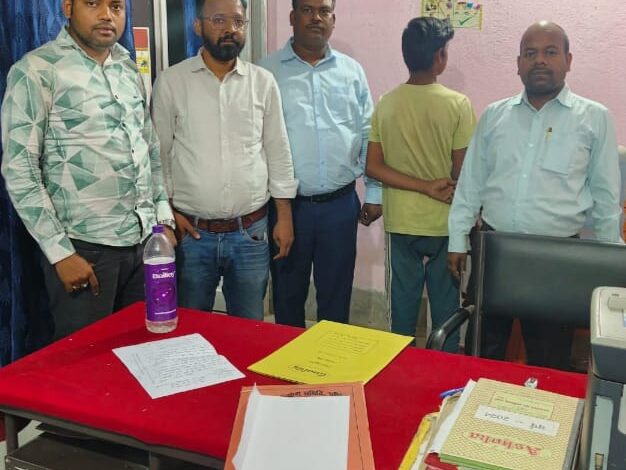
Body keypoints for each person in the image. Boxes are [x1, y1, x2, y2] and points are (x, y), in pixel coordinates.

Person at [448, 21, 622, 368]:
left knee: (549, 358)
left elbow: (606, 197)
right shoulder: (494, 116)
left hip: (556, 258)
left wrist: (611, 264)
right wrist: (456, 239)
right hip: (494, 251)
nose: (539, 60)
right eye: (530, 53)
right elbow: (471, 183)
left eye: (550, 52)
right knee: (483, 350)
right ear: (518, 64)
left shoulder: (594, 118)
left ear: (568, 60)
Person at [1, 0, 175, 339]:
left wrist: (163, 221)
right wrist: (60, 253)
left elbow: (149, 150)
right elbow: (20, 168)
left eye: (116, 6)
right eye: (93, 3)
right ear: (68, 7)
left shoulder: (127, 69)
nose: (107, 15)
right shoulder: (37, 70)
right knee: (87, 358)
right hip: (85, 251)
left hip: (143, 243)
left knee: (143, 347)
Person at [151, 0, 297, 320]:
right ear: (198, 26)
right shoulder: (172, 82)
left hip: (250, 233)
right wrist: (168, 213)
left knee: (248, 328)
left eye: (238, 21)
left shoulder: (262, 82)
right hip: (192, 235)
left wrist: (284, 217)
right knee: (190, 328)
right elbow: (158, 156)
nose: (230, 29)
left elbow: (278, 150)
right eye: (219, 20)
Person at [258, 0, 382, 328]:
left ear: (333, 19)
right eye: (307, 10)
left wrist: (374, 193)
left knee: (336, 301)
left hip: (340, 207)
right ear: (292, 17)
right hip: (288, 209)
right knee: (287, 298)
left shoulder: (351, 71)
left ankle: (332, 361)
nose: (316, 18)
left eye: (324, 11)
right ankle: (288, 360)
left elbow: (369, 133)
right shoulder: (266, 72)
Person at [365, 17, 475, 351]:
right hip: (444, 225)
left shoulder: (386, 103)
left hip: (401, 224)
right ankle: (445, 370)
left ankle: (400, 368)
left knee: (401, 310)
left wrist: (420, 185)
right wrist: (433, 187)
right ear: (440, 56)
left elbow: (374, 166)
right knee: (446, 311)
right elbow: (462, 171)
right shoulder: (458, 105)